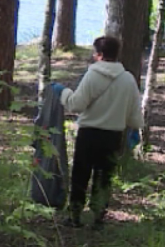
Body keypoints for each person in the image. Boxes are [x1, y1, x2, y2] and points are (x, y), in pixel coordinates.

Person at [52, 36, 143, 229]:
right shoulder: (128, 79)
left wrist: (63, 92)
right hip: (113, 136)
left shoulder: (93, 75)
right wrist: (134, 130)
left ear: (99, 55)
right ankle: (98, 216)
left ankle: (75, 214)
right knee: (104, 176)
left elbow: (76, 105)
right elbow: (135, 113)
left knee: (81, 174)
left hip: (89, 134)